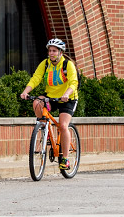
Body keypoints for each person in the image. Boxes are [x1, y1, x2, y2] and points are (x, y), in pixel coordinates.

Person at [19, 38, 79, 171]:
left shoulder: (67, 65)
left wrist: (67, 94)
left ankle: (65, 159)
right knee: (37, 102)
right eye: (50, 51)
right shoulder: (45, 64)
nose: (51, 53)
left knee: (63, 126)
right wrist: (25, 92)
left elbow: (74, 83)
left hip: (67, 99)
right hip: (51, 97)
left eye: (54, 51)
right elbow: (35, 78)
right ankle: (44, 127)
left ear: (60, 52)